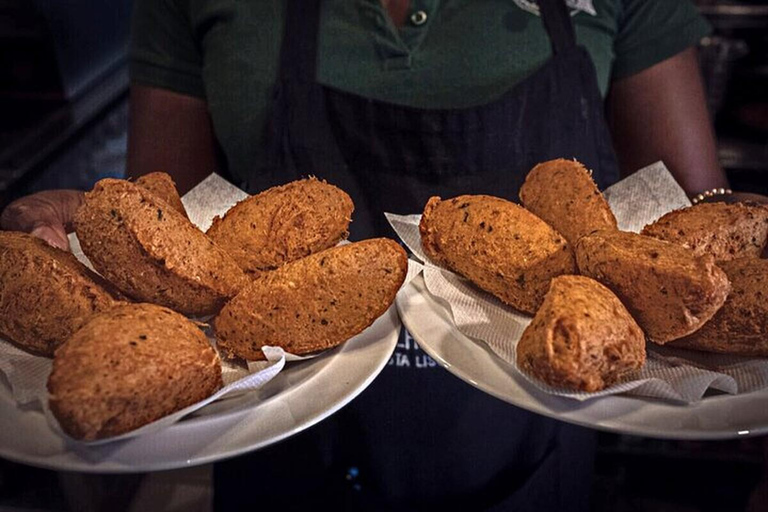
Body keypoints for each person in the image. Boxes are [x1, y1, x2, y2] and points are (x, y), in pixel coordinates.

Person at [2, 0, 765, 510]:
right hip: (267, 424)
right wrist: (85, 241)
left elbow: (693, 224)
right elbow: (162, 233)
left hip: (541, 423)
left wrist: (741, 234)